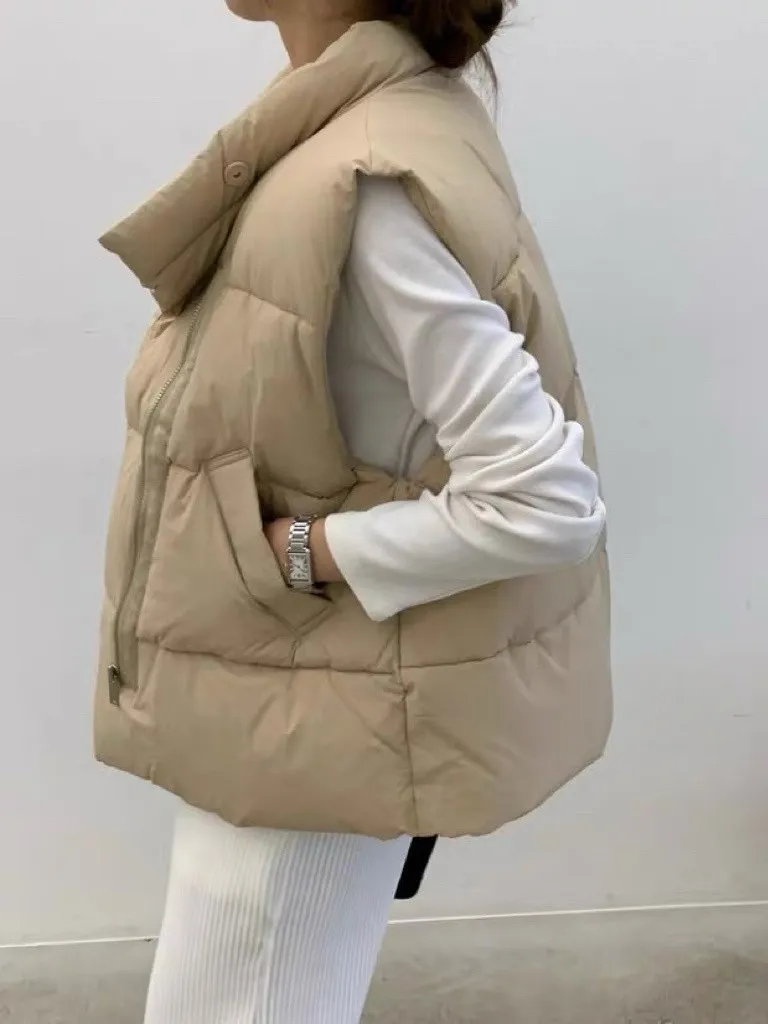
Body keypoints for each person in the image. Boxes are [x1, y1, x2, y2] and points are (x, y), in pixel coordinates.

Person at [93, 0, 612, 1019]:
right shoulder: (366, 124)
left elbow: (544, 497)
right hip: (286, 714)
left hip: (313, 734)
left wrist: (302, 552)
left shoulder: (366, 184)